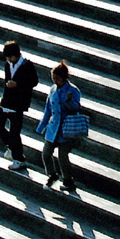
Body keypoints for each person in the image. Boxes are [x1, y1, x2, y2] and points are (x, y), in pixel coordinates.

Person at [36, 61, 83, 193]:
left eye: (57, 78)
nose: (55, 81)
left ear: (64, 78)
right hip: (53, 128)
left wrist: (69, 101)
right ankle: (52, 175)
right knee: (46, 154)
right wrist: (41, 126)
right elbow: (48, 109)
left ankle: (68, 181)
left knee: (63, 157)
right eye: (53, 78)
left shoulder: (73, 91)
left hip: (66, 130)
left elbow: (76, 108)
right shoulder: (52, 90)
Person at [0, 41, 39, 172]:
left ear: (16, 55)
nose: (9, 60)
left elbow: (34, 82)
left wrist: (18, 84)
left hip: (18, 103)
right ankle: (12, 147)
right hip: (6, 101)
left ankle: (19, 159)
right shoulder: (8, 65)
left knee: (14, 133)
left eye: (10, 57)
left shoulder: (27, 65)